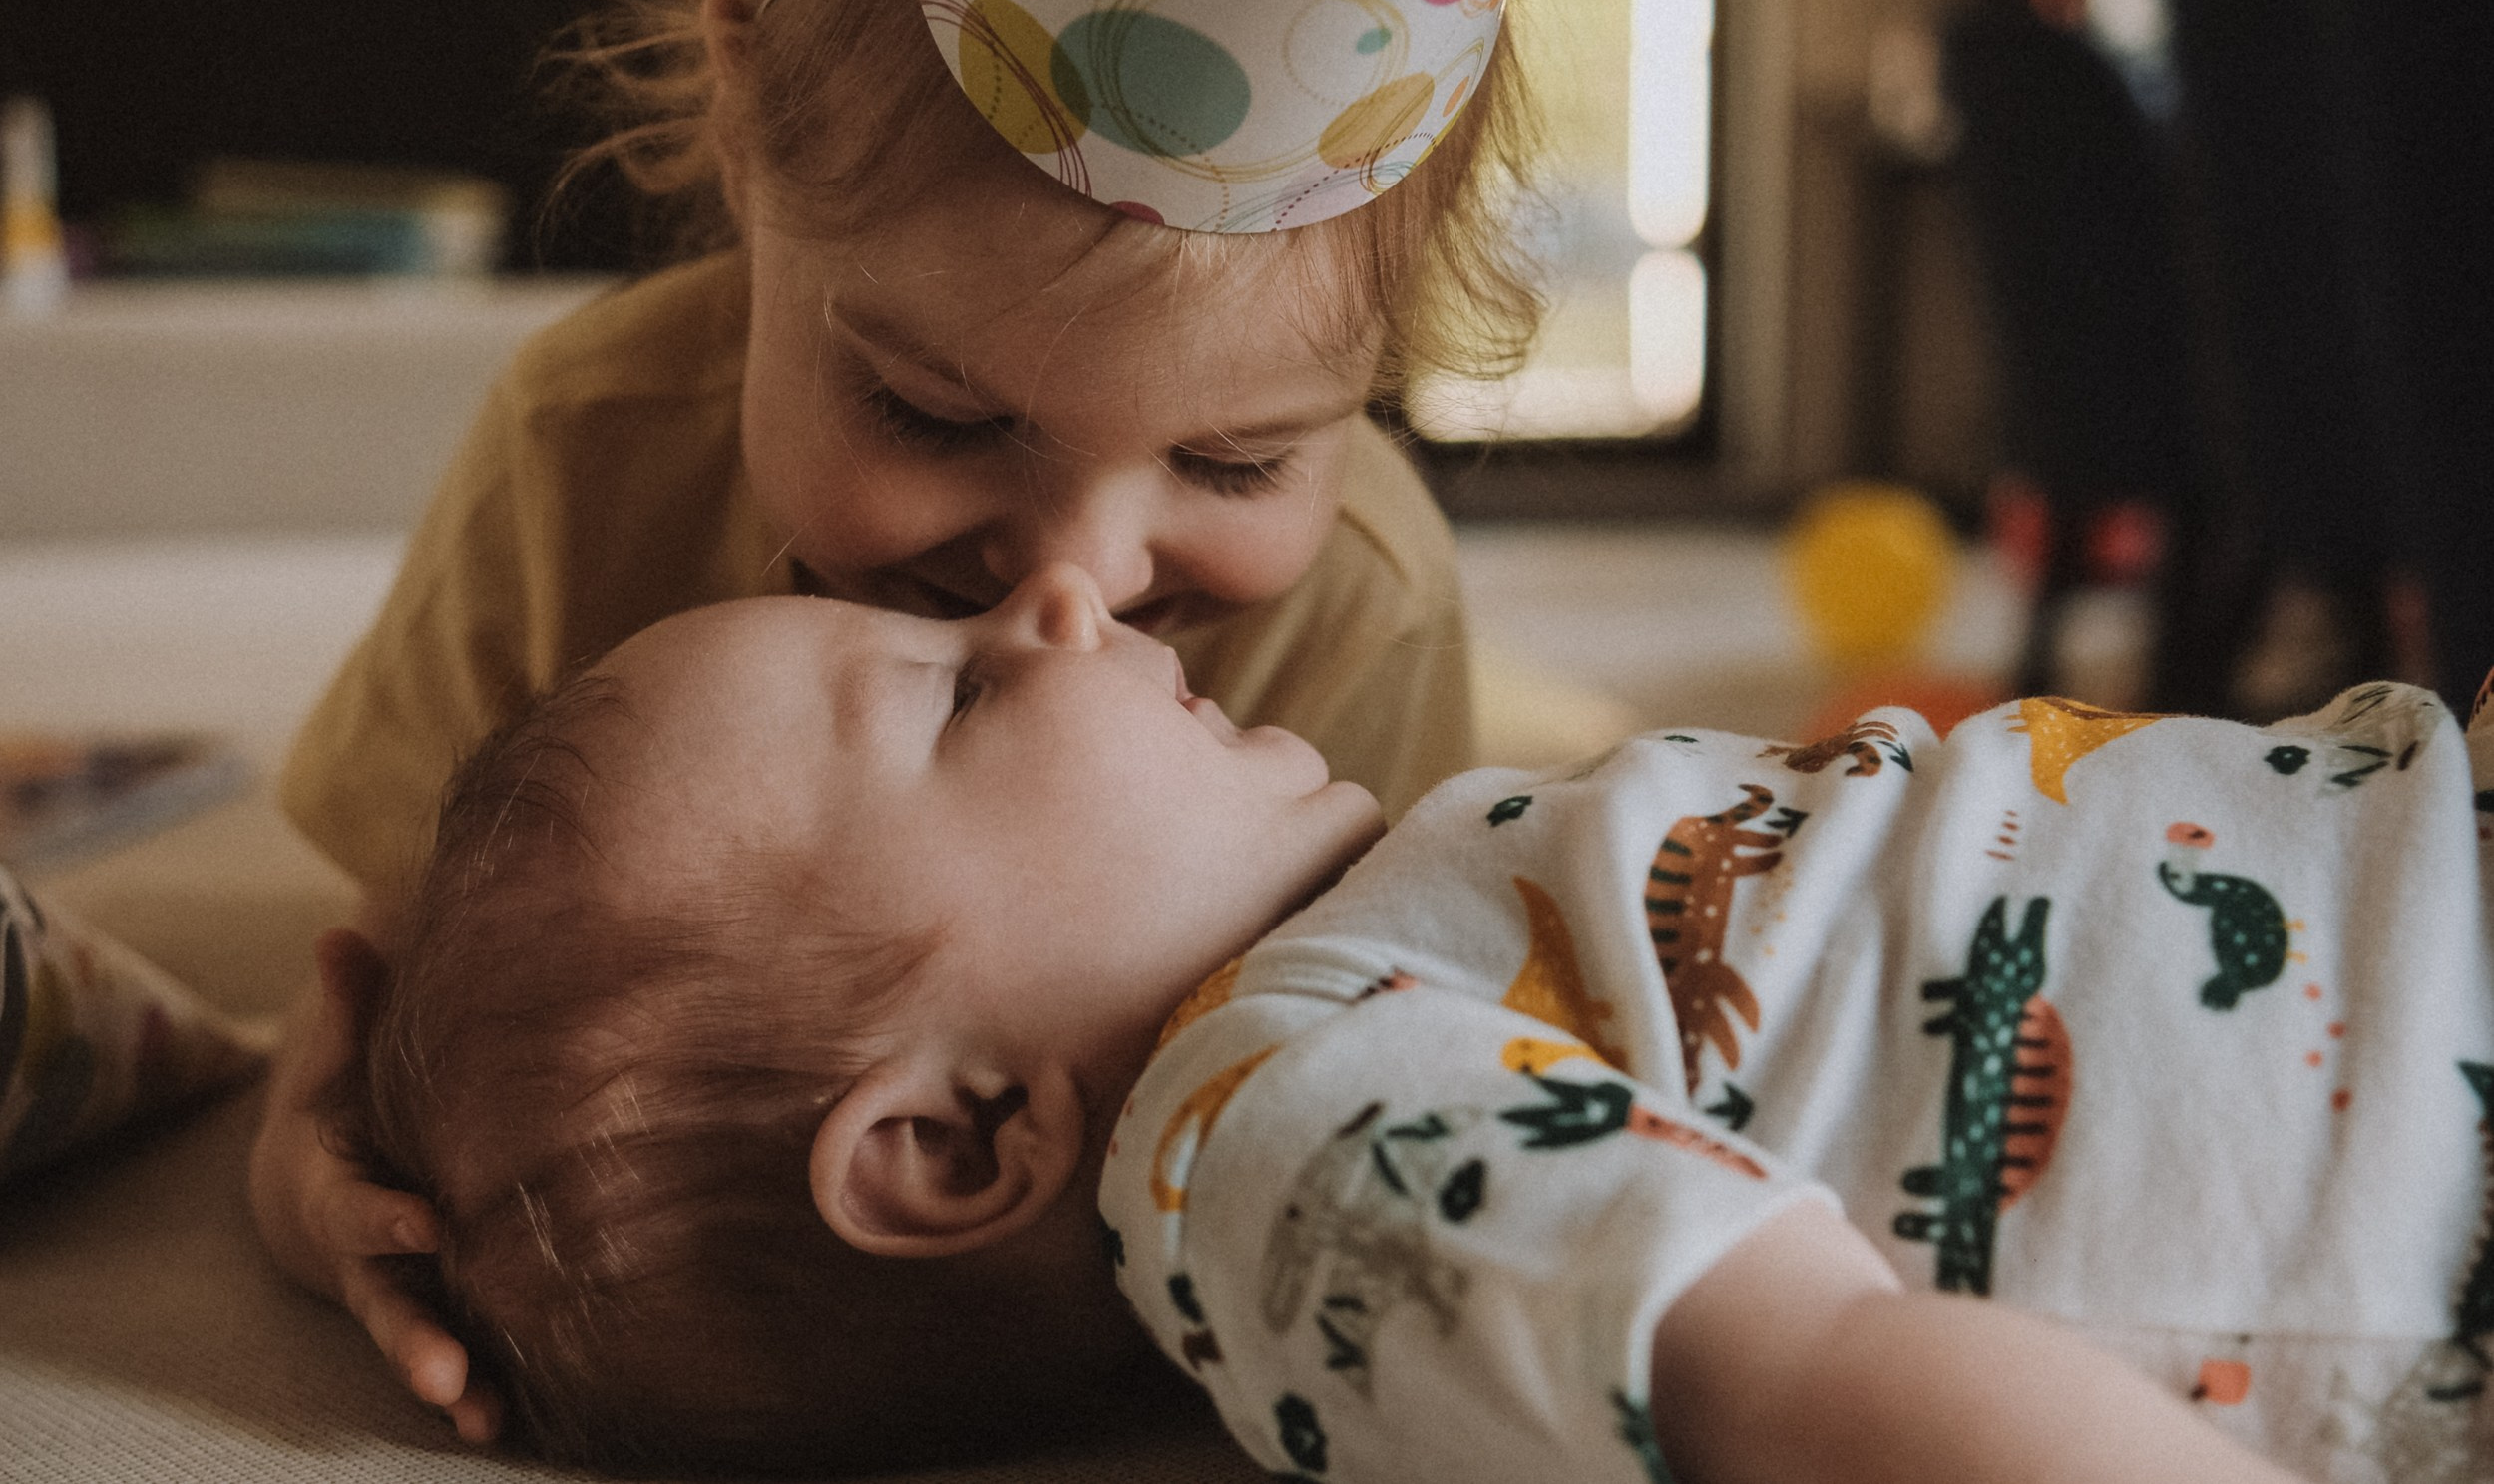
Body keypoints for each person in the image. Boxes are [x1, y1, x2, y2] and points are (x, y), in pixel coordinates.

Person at [247, 0, 1547, 1438]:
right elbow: (404, 978)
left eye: (1234, 459)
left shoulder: (1359, 598)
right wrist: (312, 1159)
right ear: (743, 135)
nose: (1086, 579)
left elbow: (1439, 1062)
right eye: (933, 413)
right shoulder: (584, 451)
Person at [339, 564, 2493, 1482]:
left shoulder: (1385, 933)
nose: (1059, 594)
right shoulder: (1264, 1114)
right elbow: (1815, 1379)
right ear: (958, 1135)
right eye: (964, 686)